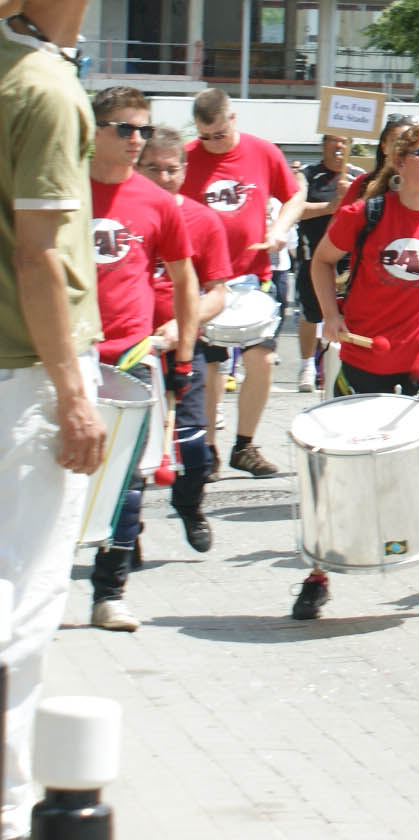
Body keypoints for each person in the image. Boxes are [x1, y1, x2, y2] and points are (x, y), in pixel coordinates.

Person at [0, 0, 106, 837]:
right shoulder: (49, 92)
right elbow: (38, 255)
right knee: (23, 596)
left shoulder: (11, 62)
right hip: (26, 373)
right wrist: (74, 394)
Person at [301, 122, 419, 621]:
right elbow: (322, 262)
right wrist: (331, 315)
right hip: (366, 361)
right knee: (341, 470)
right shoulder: (365, 214)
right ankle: (318, 575)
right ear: (399, 161)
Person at [83, 87, 202, 631]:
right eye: (125, 129)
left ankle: (108, 594)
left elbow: (185, 280)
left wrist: (183, 354)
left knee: (127, 482)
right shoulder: (63, 189)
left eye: (144, 130)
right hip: (67, 354)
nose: (137, 140)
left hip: (130, 358)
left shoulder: (156, 203)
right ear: (95, 131)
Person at [182, 86, 307, 478]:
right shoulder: (186, 158)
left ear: (232, 118)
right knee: (211, 369)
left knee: (262, 360)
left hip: (253, 277)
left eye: (219, 134)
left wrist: (279, 229)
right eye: (205, 136)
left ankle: (245, 445)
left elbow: (295, 197)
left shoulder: (262, 152)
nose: (212, 143)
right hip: (206, 282)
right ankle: (208, 450)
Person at [136, 127, 231, 558]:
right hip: (132, 350)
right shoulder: (124, 214)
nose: (163, 177)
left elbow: (217, 293)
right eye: (152, 168)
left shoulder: (203, 220)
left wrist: (181, 325)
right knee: (131, 451)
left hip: (182, 347)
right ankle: (126, 533)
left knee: (193, 449)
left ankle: (189, 507)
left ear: (185, 170)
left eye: (171, 169)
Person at [291, 132, 361, 392]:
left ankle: (342, 363)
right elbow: (295, 208)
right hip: (313, 253)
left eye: (344, 141)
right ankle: (307, 365)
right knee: (310, 312)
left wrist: (352, 200)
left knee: (348, 312)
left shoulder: (357, 175)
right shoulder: (307, 175)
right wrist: (331, 207)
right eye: (334, 140)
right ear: (324, 145)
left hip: (347, 257)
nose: (339, 145)